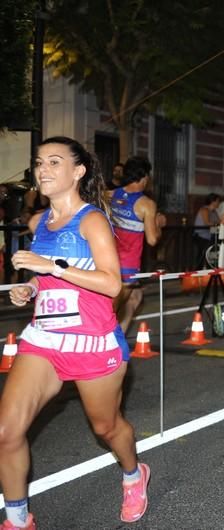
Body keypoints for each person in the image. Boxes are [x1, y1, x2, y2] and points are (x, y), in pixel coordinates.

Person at [0, 137, 150, 529]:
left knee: (106, 427)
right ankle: (17, 519)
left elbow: (113, 284)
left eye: (54, 162)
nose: (43, 170)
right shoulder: (40, 222)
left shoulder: (92, 219)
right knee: (5, 431)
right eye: (39, 163)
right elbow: (45, 277)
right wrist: (31, 287)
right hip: (44, 338)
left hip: (93, 340)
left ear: (78, 171)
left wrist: (52, 268)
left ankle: (134, 474)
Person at [110, 156, 167, 334]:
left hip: (107, 258)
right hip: (128, 264)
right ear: (143, 177)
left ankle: (119, 340)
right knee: (111, 311)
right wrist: (158, 226)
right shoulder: (147, 204)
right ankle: (106, 343)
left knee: (136, 296)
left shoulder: (109, 194)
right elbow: (152, 239)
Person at [192, 193, 221, 268]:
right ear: (213, 201)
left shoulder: (214, 211)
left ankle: (210, 268)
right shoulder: (204, 210)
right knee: (204, 253)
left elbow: (219, 222)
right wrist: (218, 224)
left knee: (213, 251)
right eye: (218, 201)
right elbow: (207, 223)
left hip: (210, 236)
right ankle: (198, 269)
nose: (219, 203)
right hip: (201, 236)